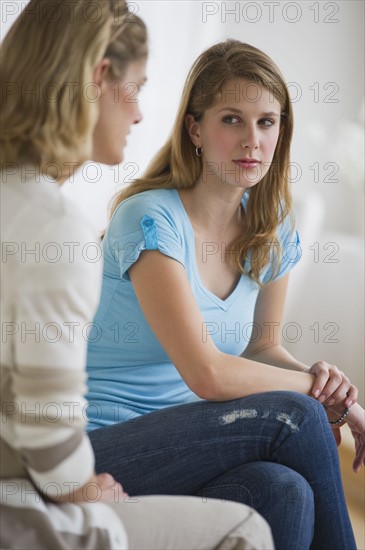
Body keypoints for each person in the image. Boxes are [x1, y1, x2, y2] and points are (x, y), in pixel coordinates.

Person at [0, 2, 274, 549]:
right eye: (138, 88)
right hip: (26, 487)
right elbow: (45, 430)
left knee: (274, 484)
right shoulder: (57, 228)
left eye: (267, 122)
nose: (142, 116)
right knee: (253, 520)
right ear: (100, 77)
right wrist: (87, 496)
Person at [86, 39, 365, 550]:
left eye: (267, 122)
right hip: (102, 446)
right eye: (232, 119)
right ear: (195, 128)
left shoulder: (272, 223)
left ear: (282, 131)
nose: (252, 140)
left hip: (192, 440)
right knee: (293, 413)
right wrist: (320, 397)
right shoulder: (150, 219)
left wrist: (332, 391)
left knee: (286, 491)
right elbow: (207, 373)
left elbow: (262, 348)